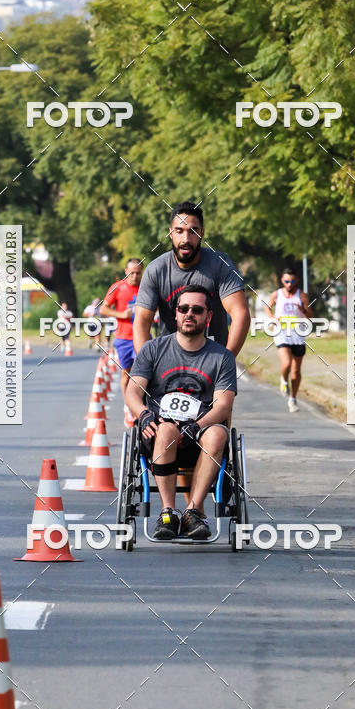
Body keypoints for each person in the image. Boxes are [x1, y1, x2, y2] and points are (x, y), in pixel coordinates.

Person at [133, 201, 250, 503]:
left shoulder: (219, 265)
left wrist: (225, 359)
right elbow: (142, 322)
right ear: (170, 234)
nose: (186, 238)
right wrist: (145, 365)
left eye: (194, 231)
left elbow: (240, 314)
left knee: (209, 432)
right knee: (171, 427)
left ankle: (194, 508)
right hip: (168, 364)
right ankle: (181, 510)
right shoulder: (157, 269)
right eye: (180, 231)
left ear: (202, 234)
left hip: (211, 365)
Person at [126, 285, 236, 540]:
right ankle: (168, 512)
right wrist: (143, 414)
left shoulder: (222, 358)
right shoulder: (153, 349)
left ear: (208, 317)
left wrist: (198, 426)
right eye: (183, 309)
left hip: (201, 433)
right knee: (166, 430)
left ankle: (193, 511)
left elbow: (222, 404)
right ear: (175, 314)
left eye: (197, 310)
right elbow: (132, 392)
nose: (189, 314)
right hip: (159, 433)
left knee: (219, 434)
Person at [100, 259, 143, 427]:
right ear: (126, 271)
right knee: (127, 373)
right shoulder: (118, 287)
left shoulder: (146, 286)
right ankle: (128, 408)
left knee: (145, 374)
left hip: (143, 337)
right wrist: (121, 315)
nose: (134, 276)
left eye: (138, 273)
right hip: (124, 338)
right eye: (131, 272)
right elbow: (103, 308)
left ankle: (141, 407)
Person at [266, 268, 312, 412]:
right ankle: (284, 380)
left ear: (296, 281)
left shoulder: (301, 295)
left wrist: (303, 310)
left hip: (298, 335)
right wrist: (273, 318)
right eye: (286, 281)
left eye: (292, 281)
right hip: (281, 333)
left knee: (296, 371)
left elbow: (310, 315)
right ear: (282, 280)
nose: (289, 284)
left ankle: (293, 399)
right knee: (286, 363)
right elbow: (268, 307)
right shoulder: (277, 294)